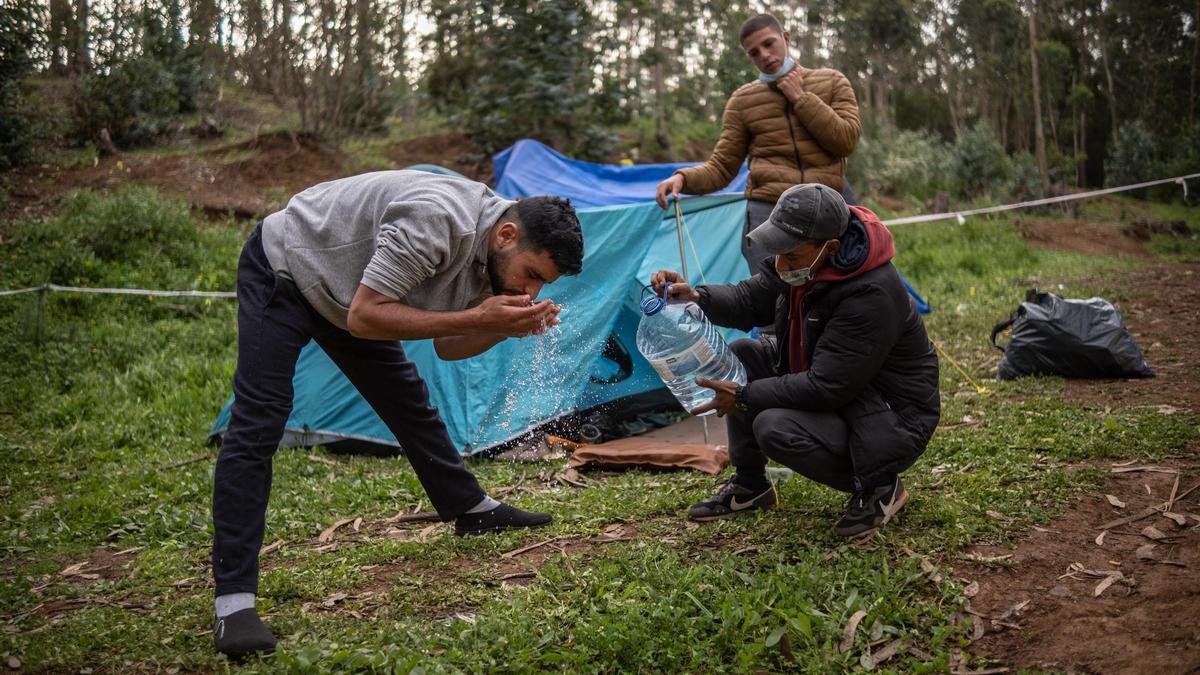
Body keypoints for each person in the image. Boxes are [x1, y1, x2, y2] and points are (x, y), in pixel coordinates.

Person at [211, 170, 584, 658]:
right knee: (260, 421)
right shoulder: (436, 220)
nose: (530, 291)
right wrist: (480, 316)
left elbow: (451, 346)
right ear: (507, 235)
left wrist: (506, 327)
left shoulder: (494, 252)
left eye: (540, 285)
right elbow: (366, 317)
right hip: (286, 268)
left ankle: (471, 510)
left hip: (350, 295)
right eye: (531, 275)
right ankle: (233, 602)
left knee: (408, 399)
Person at [649, 183, 939, 539]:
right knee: (743, 353)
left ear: (830, 248)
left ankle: (879, 486)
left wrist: (743, 396)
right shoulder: (802, 261)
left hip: (889, 418)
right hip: (841, 390)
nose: (781, 264)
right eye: (779, 252)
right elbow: (750, 299)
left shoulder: (870, 293)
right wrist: (697, 297)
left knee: (774, 427)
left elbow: (826, 387)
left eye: (792, 257)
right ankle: (751, 486)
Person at [654, 13, 861, 274]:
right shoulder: (742, 101)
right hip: (769, 211)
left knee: (850, 280)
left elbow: (846, 141)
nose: (764, 55)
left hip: (829, 202)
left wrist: (801, 99)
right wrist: (683, 179)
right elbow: (722, 167)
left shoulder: (832, 81)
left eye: (769, 44)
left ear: (786, 38)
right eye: (754, 52)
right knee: (772, 297)